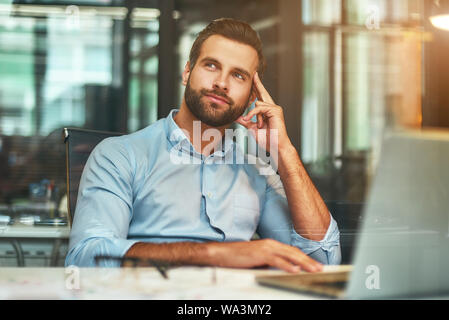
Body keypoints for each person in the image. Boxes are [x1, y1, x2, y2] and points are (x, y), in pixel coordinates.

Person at [65, 18, 341, 272]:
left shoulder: (257, 172)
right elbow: (86, 257)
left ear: (250, 97)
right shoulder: (120, 155)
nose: (221, 83)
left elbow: (321, 260)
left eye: (238, 76)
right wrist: (215, 254)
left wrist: (284, 152)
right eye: (211, 65)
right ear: (187, 72)